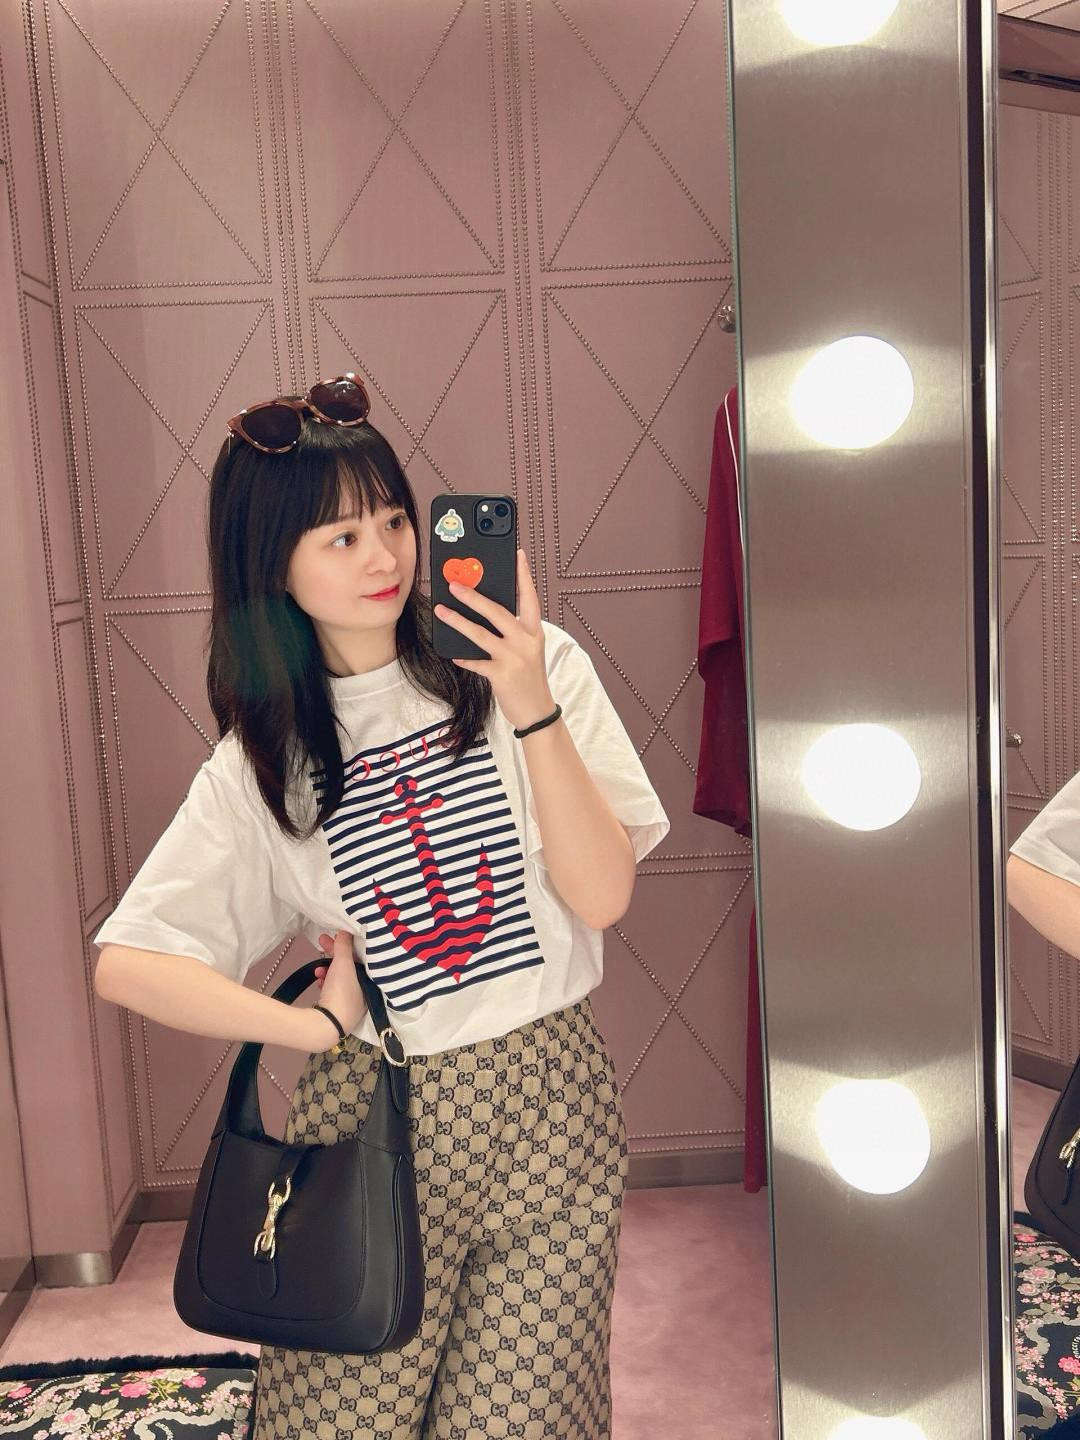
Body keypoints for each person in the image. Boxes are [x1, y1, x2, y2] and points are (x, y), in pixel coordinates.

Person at [92, 374, 671, 1440]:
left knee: (524, 1422)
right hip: (376, 1113)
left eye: (394, 520)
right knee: (342, 1419)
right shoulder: (266, 762)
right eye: (341, 537)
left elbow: (603, 893)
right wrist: (309, 1027)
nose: (385, 557)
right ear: (274, 563)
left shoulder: (539, 669)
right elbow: (130, 961)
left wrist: (529, 702)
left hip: (552, 1099)